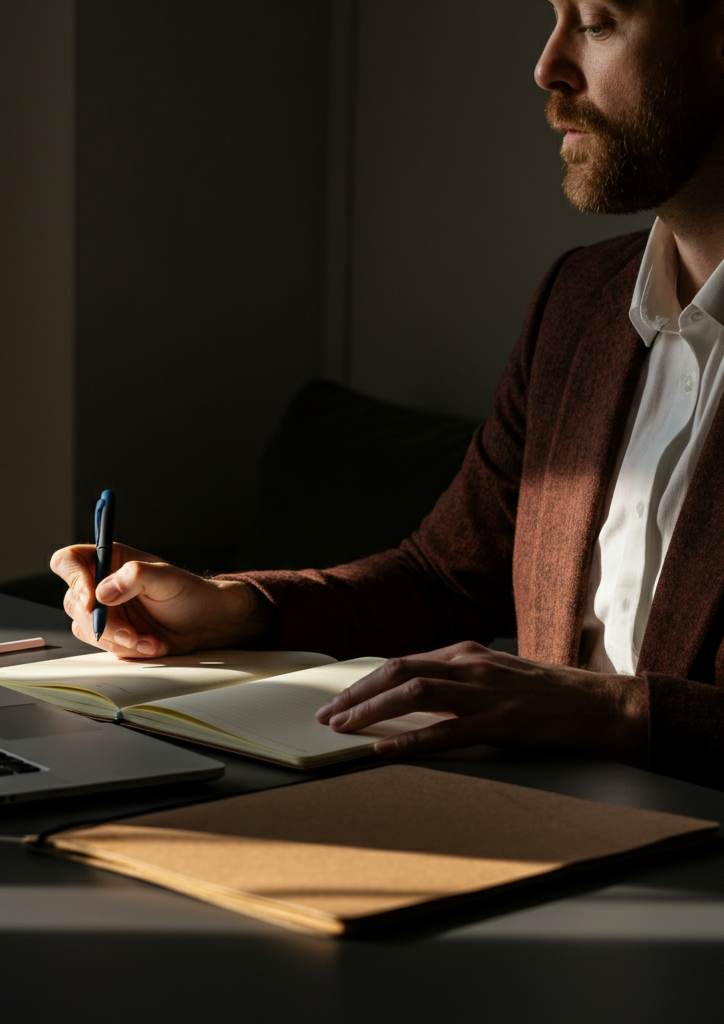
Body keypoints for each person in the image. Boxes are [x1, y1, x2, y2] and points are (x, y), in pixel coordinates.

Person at [52, 0, 724, 787]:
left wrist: (616, 712)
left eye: (598, 22)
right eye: (554, 18)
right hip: (537, 839)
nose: (547, 67)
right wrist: (236, 607)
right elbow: (443, 577)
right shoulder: (579, 302)